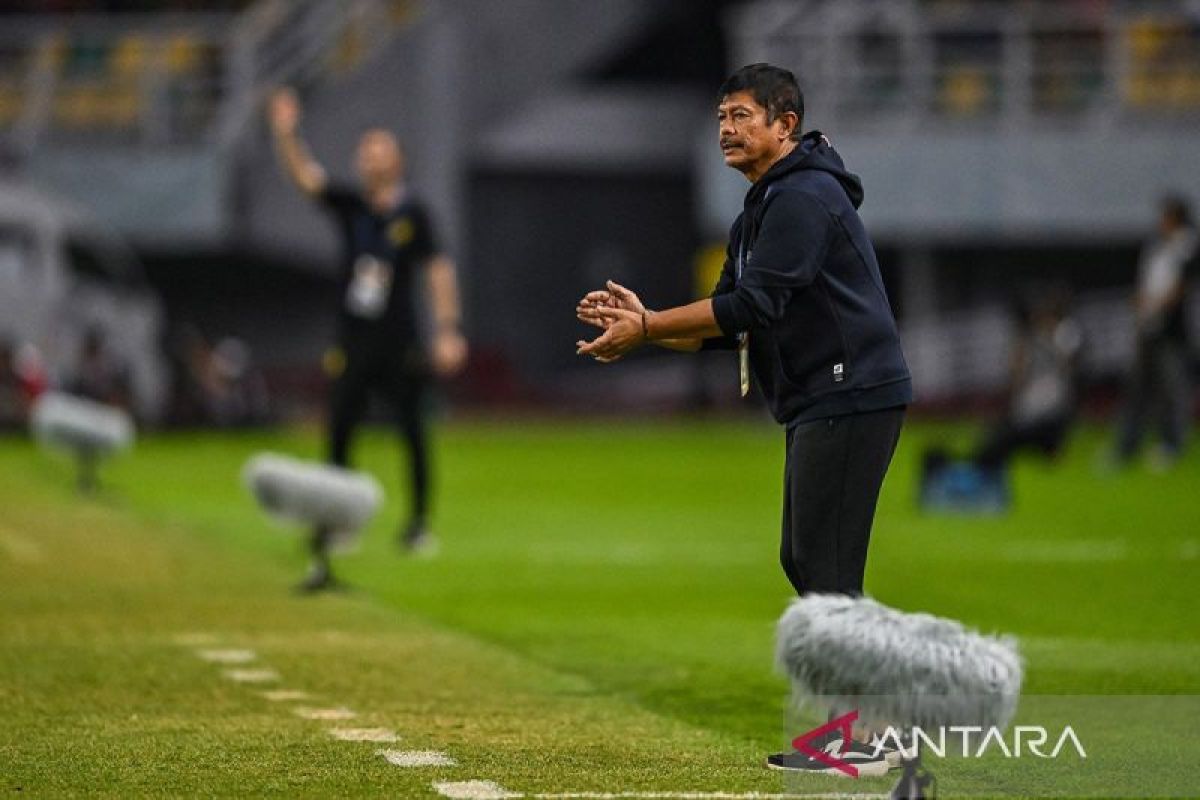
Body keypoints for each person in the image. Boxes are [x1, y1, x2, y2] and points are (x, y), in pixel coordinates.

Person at [575, 63, 911, 774]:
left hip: (853, 394)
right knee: (808, 560)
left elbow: (754, 308)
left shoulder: (804, 198)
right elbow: (729, 320)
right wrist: (644, 325)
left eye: (741, 116)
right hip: (822, 398)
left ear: (785, 125)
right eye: (721, 117)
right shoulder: (759, 209)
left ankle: (870, 736)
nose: (726, 129)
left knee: (826, 563)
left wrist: (651, 325)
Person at [268, 87, 467, 591]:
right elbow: (306, 179)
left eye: (379, 154)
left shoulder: (414, 215)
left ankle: (418, 524)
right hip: (353, 338)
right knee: (339, 429)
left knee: (413, 432)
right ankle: (337, 525)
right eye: (364, 155)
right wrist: (286, 132)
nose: (369, 162)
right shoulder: (352, 206)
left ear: (396, 162)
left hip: (401, 339)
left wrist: (448, 329)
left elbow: (437, 271)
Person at [1112, 195, 1197, 470]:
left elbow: (1182, 287)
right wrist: (1142, 303)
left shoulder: (1187, 244)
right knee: (1137, 388)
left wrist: (1155, 303)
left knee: (1172, 390)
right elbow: (1148, 281)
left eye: (1165, 216)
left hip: (1172, 331)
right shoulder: (1157, 246)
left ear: (1176, 218)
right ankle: (1126, 446)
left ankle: (1170, 445)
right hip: (1148, 326)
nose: (1160, 221)